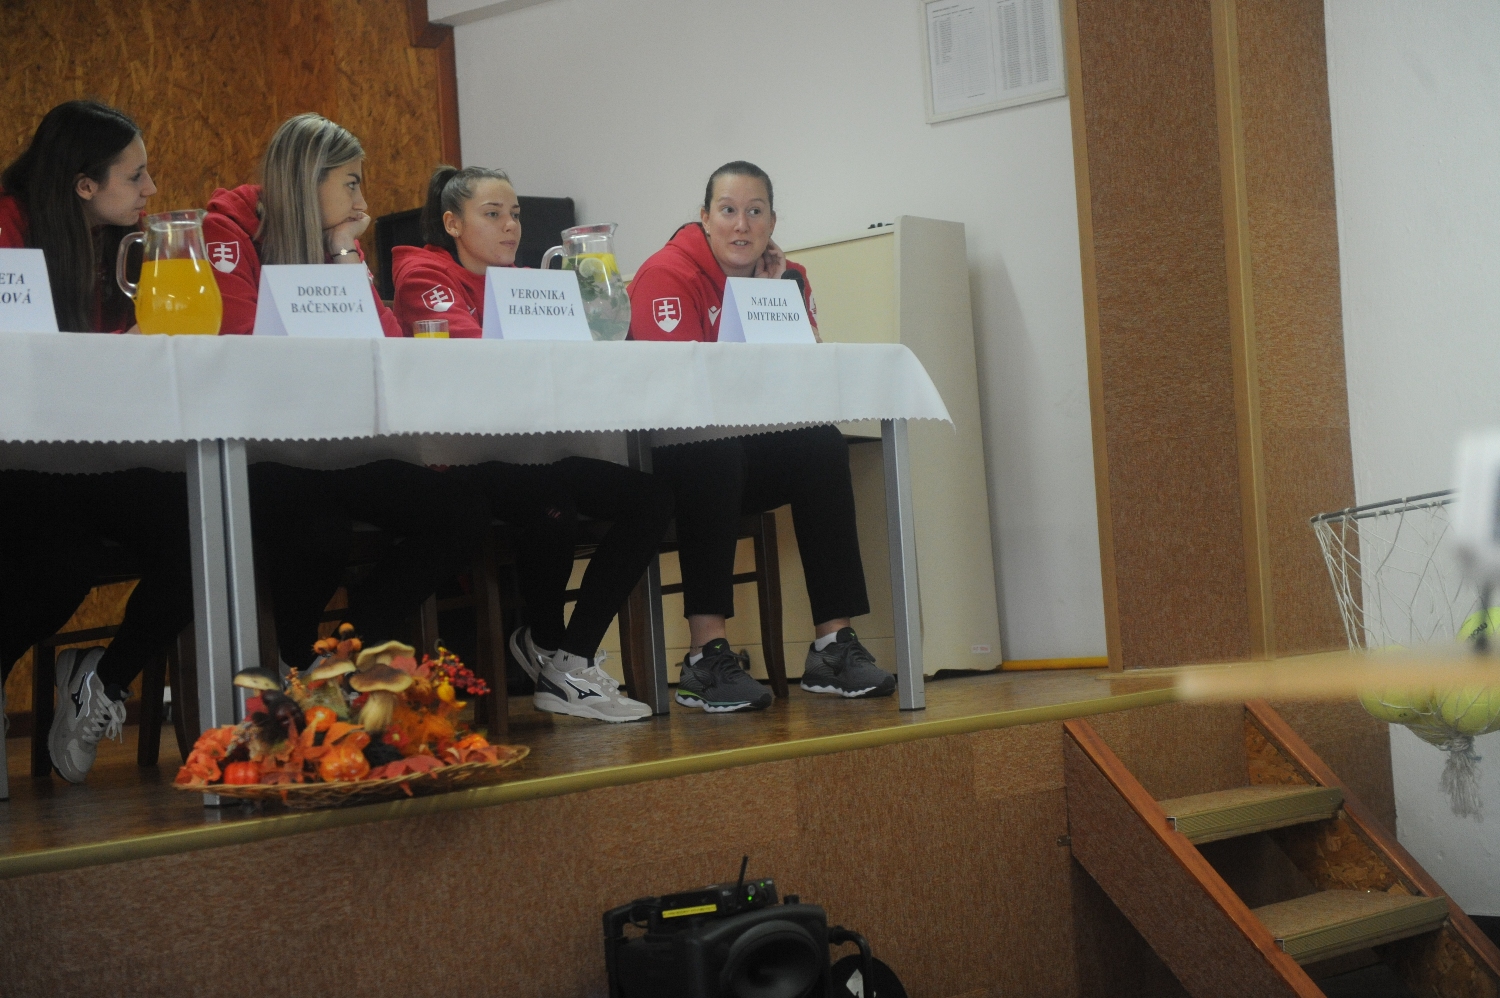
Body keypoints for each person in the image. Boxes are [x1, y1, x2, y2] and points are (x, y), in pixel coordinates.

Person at [203, 115, 490, 670]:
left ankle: (340, 656)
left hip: (342, 446)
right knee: (319, 534)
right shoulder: (227, 232)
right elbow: (243, 344)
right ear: (309, 180)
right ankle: (292, 662)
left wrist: (342, 253)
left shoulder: (339, 244)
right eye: (351, 183)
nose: (362, 201)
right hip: (261, 448)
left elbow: (388, 344)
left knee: (461, 513)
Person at [391, 165, 674, 722]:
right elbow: (478, 357)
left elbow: (585, 348)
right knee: (553, 507)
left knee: (651, 498)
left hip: (533, 450)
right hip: (461, 458)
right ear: (452, 223)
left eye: (515, 214)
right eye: (492, 214)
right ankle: (546, 641)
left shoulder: (529, 281)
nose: (511, 226)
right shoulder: (423, 274)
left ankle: (570, 657)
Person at [627, 161, 896, 712]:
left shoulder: (787, 276)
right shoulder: (666, 273)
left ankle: (832, 646)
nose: (742, 225)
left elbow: (804, 381)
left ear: (773, 221)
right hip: (675, 457)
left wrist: (767, 299)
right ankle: (703, 657)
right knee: (715, 451)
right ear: (704, 218)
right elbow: (678, 395)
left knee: (821, 444)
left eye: (755, 212)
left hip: (742, 447)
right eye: (728, 211)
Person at [0, 100, 195, 782]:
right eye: (135, 176)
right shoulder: (8, 228)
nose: (151, 189)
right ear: (84, 183)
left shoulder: (123, 244)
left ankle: (102, 683)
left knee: (203, 532)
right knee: (60, 565)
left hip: (93, 449)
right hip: (17, 454)